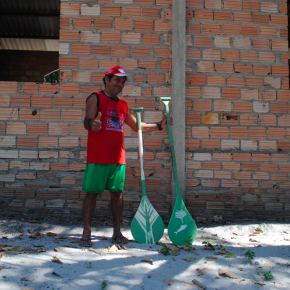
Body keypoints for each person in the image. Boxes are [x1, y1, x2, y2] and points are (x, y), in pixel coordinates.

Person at [80, 66, 173, 246]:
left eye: (123, 82)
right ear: (107, 79)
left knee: (117, 195)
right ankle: (86, 232)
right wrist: (93, 124)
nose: (120, 84)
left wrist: (159, 125)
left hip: (117, 158)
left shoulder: (123, 105)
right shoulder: (95, 97)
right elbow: (87, 120)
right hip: (98, 157)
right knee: (91, 195)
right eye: (117, 80)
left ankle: (116, 233)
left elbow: (139, 126)